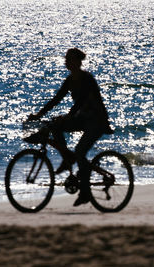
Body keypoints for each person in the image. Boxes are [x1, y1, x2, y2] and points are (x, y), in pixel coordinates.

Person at [26, 48, 113, 207]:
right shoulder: (70, 80)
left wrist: (68, 116)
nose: (67, 62)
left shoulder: (87, 78)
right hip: (82, 119)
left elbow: (81, 101)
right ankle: (67, 158)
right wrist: (38, 115)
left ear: (78, 62)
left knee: (80, 152)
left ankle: (85, 193)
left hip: (96, 121)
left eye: (70, 59)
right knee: (55, 126)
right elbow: (56, 99)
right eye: (66, 59)